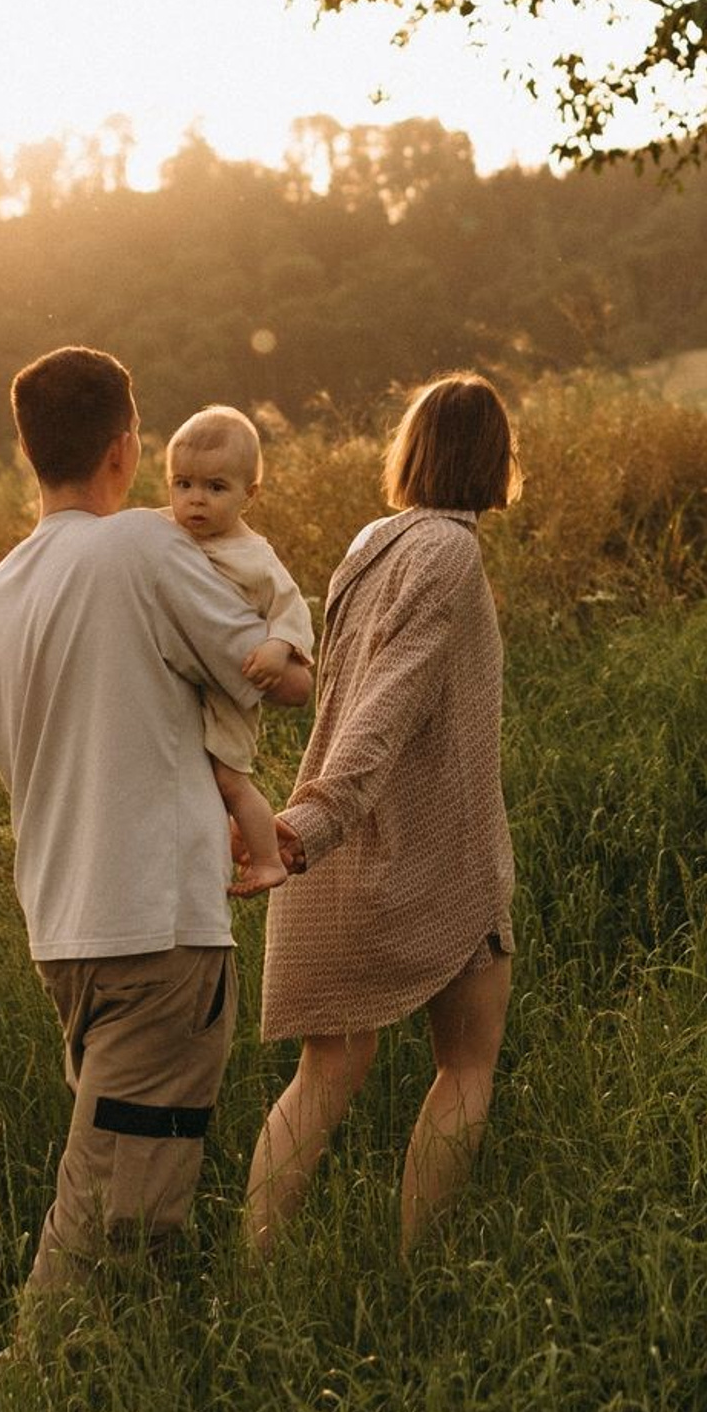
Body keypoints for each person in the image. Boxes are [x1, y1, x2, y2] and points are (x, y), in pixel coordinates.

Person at [0, 346, 310, 1310]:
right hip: (154, 934)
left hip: (64, 936)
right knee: (115, 1225)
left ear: (28, 449)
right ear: (125, 449)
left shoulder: (2, 590)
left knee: (124, 1197)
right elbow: (275, 676)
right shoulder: (145, 546)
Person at [246, 372, 519, 1260]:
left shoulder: (372, 542)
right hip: (429, 852)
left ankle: (252, 1277)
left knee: (324, 1075)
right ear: (495, 457)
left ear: (412, 450)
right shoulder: (449, 552)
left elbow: (343, 688)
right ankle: (417, 1278)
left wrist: (308, 825)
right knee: (466, 1063)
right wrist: (309, 827)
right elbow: (386, 703)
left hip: (339, 848)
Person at [164, 403, 315, 894]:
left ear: (249, 495)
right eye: (182, 484)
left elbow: (292, 612)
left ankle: (268, 860)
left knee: (229, 779)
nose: (195, 501)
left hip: (236, 689)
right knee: (201, 777)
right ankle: (235, 846)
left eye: (215, 488)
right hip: (196, 680)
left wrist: (278, 645)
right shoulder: (169, 529)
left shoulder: (255, 557)